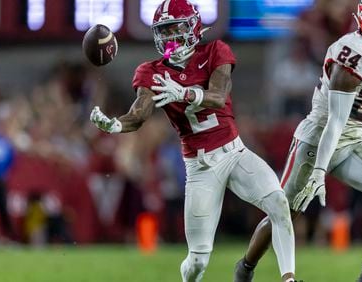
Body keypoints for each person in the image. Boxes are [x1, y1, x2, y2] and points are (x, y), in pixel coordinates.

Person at [89, 1, 296, 281]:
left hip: (234, 153)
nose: (170, 36)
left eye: (176, 27)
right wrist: (115, 124)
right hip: (200, 167)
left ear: (194, 27)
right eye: (164, 30)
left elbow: (218, 95)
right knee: (198, 260)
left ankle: (289, 279)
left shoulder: (215, 52)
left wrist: (185, 94)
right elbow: (139, 114)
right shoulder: (151, 71)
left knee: (278, 204)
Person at [234, 0, 362, 281]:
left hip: (353, 140)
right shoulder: (352, 55)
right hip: (317, 140)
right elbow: (334, 122)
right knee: (286, 214)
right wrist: (318, 172)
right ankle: (245, 268)